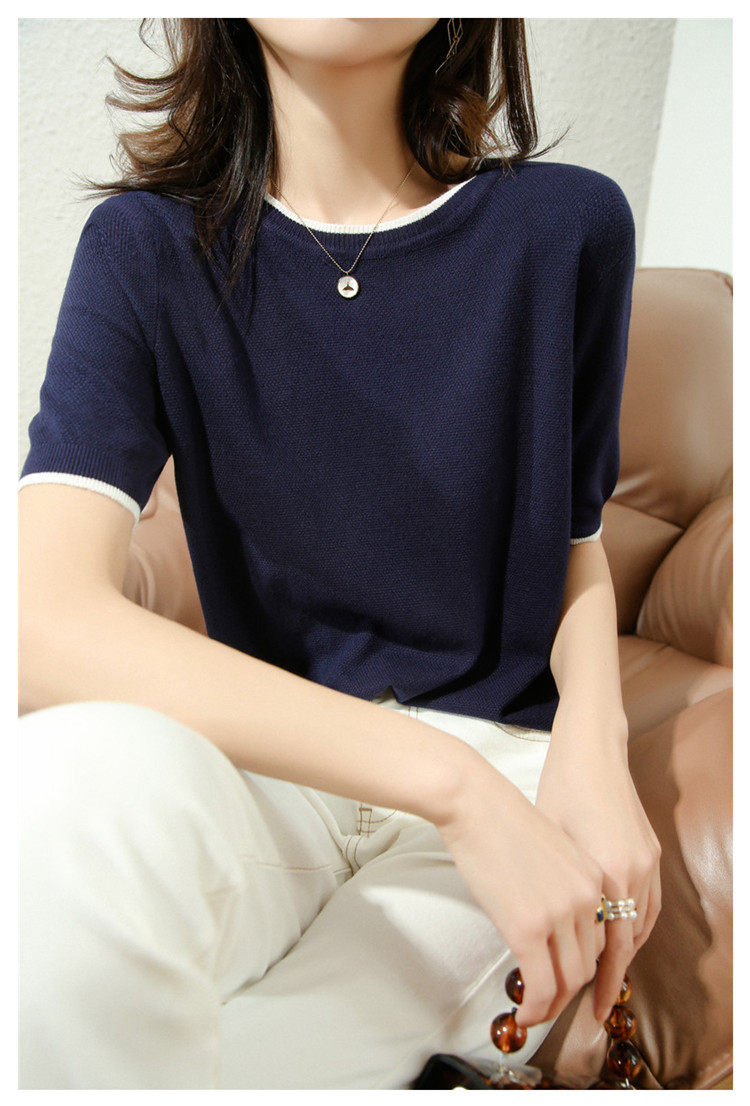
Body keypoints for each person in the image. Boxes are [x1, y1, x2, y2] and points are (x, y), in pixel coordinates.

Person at [17, 17, 662, 1090]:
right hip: (275, 766)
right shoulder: (145, 247)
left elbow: (573, 537)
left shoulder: (567, 227)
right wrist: (450, 786)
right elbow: (40, 621)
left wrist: (596, 753)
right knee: (60, 791)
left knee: (273, 1061)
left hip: (509, 763)